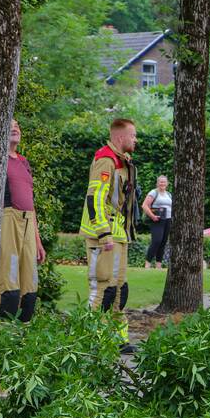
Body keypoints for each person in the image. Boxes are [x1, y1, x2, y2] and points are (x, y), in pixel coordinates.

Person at [79, 118, 139, 326]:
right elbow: (94, 198)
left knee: (119, 290)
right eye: (133, 135)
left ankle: (117, 339)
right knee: (103, 289)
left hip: (118, 232)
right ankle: (89, 339)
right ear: (120, 137)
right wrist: (103, 233)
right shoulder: (106, 160)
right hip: (103, 235)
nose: (136, 139)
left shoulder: (123, 161)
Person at [0, 119, 46, 322]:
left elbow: (31, 203)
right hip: (8, 220)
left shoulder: (23, 162)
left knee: (31, 282)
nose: (14, 128)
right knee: (9, 281)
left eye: (17, 126)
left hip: (28, 222)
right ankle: (3, 331)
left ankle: (23, 332)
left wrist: (38, 240)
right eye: (9, 125)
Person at [142, 175, 172, 269]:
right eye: (160, 182)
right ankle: (147, 264)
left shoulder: (169, 194)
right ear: (157, 183)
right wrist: (153, 216)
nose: (162, 183)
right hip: (157, 220)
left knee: (163, 242)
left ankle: (158, 265)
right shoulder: (153, 192)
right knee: (156, 241)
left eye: (164, 182)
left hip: (168, 220)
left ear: (167, 183)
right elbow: (144, 205)